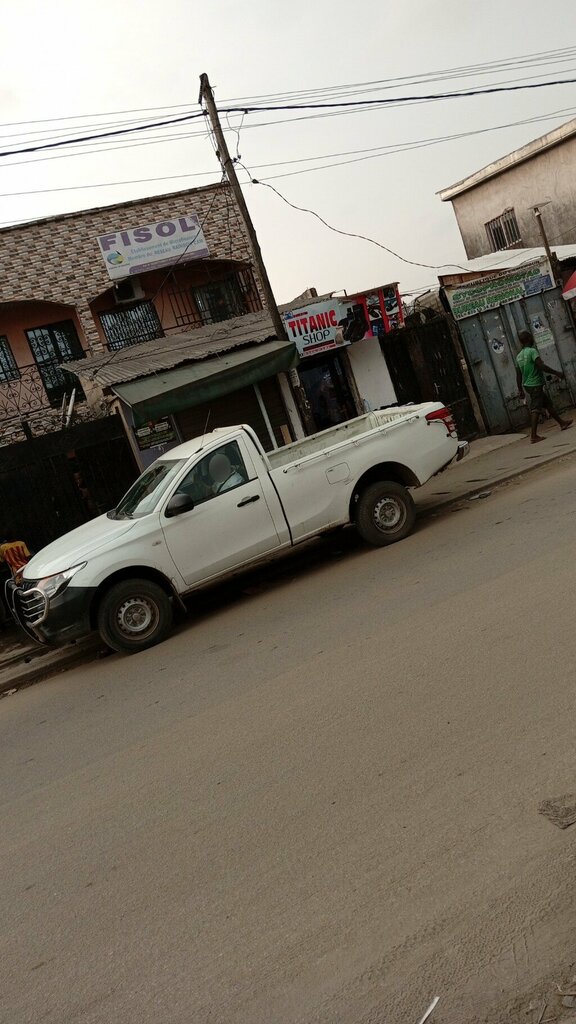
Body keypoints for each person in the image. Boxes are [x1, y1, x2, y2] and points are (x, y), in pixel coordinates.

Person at [515, 330, 572, 444]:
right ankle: (533, 436)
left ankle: (562, 423)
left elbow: (518, 375)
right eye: (531, 337)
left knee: (547, 404)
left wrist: (520, 389)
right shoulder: (532, 351)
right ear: (529, 339)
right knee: (536, 409)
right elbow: (541, 366)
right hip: (535, 384)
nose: (533, 339)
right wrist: (556, 373)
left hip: (528, 385)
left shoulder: (519, 356)